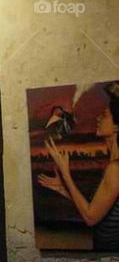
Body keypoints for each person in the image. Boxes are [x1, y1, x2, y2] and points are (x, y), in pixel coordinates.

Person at [39, 83, 119, 250]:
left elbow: (90, 218)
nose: (98, 117)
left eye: (104, 115)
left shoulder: (116, 168)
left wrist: (66, 174)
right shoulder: (113, 165)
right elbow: (93, 208)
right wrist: (63, 188)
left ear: (116, 126)